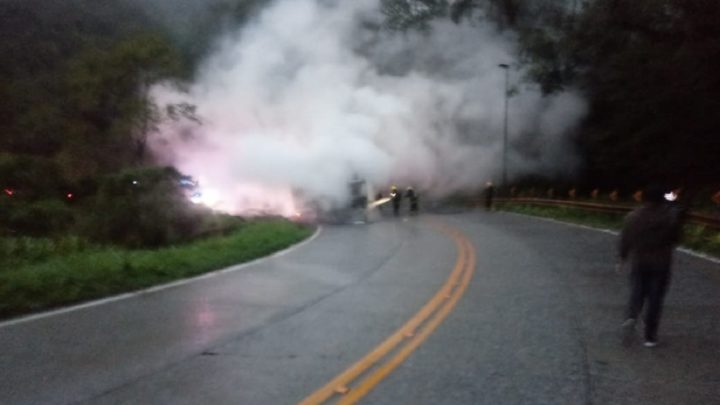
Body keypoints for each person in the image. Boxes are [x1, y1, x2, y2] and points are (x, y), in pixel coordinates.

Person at [618, 184, 684, 348]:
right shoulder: (670, 217)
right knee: (656, 299)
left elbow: (625, 239)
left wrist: (622, 257)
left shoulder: (632, 217)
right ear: (662, 198)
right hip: (661, 262)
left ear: (643, 198)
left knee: (637, 291)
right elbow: (676, 239)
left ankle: (632, 315)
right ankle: (650, 336)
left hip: (639, 260)